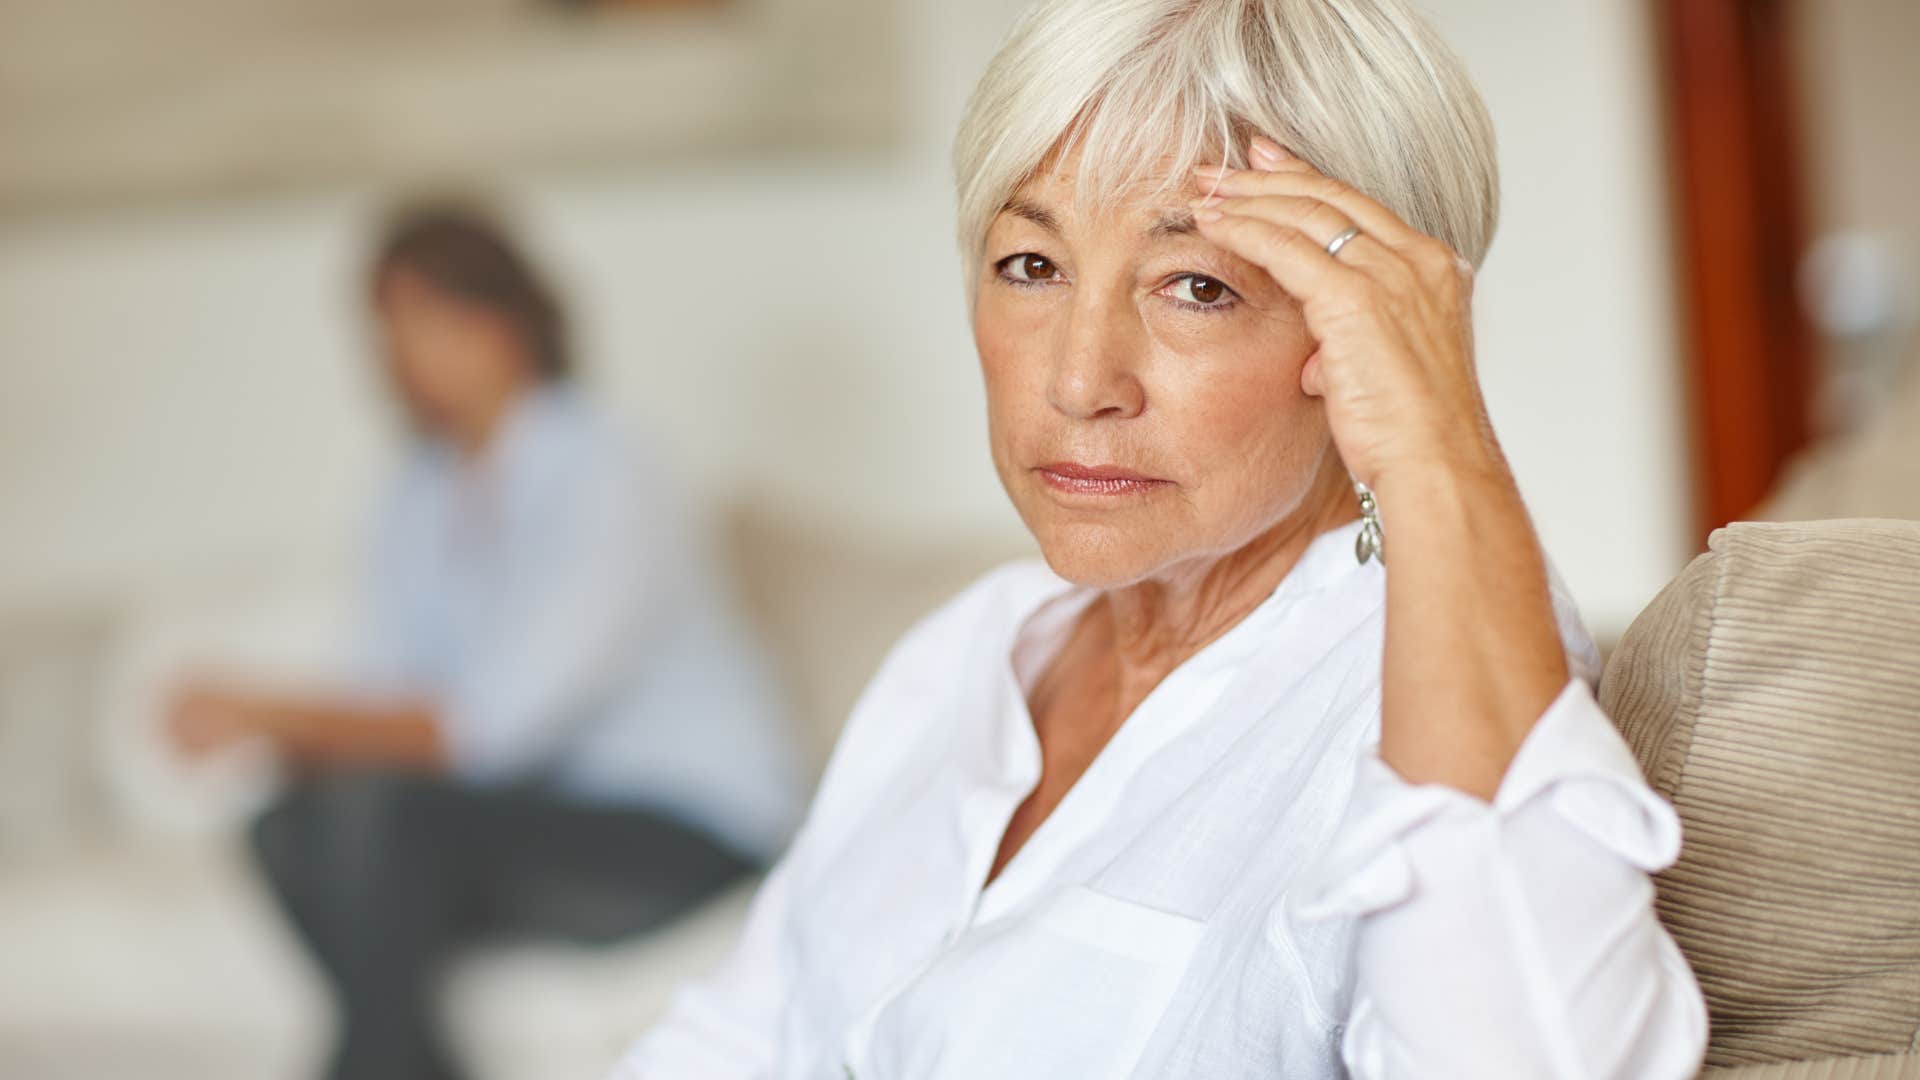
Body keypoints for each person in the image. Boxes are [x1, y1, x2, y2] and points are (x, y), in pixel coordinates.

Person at [612, 0, 1709, 1076]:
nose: (1079, 379)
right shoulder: (963, 652)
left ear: (1371, 329)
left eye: (1198, 287)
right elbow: (730, 1039)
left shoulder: (1440, 683)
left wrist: (1438, 444)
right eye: (1031, 267)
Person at [167, 202, 804, 1080]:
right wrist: (306, 744)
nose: (406, 353)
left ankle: (377, 1059)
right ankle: (400, 1054)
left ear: (508, 320)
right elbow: (386, 703)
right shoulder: (413, 494)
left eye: (433, 318)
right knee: (285, 827)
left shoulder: (605, 464)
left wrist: (262, 711)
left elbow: (486, 732)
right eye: (389, 329)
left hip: (677, 828)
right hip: (506, 824)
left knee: (373, 821)